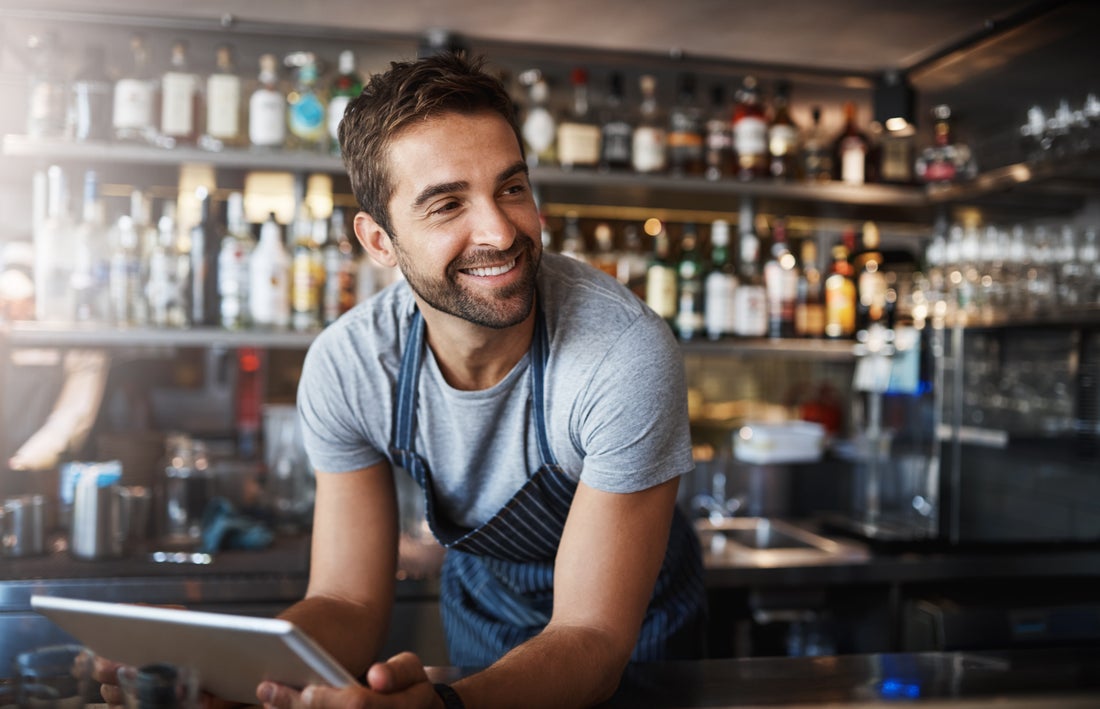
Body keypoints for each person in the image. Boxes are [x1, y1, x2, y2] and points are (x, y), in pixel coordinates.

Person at [98, 52, 706, 709]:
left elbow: (590, 636)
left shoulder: (623, 354)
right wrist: (221, 665)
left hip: (632, 633)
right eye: (447, 204)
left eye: (511, 187)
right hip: (485, 612)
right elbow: (349, 602)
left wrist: (444, 705)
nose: (500, 231)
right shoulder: (352, 367)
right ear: (379, 241)